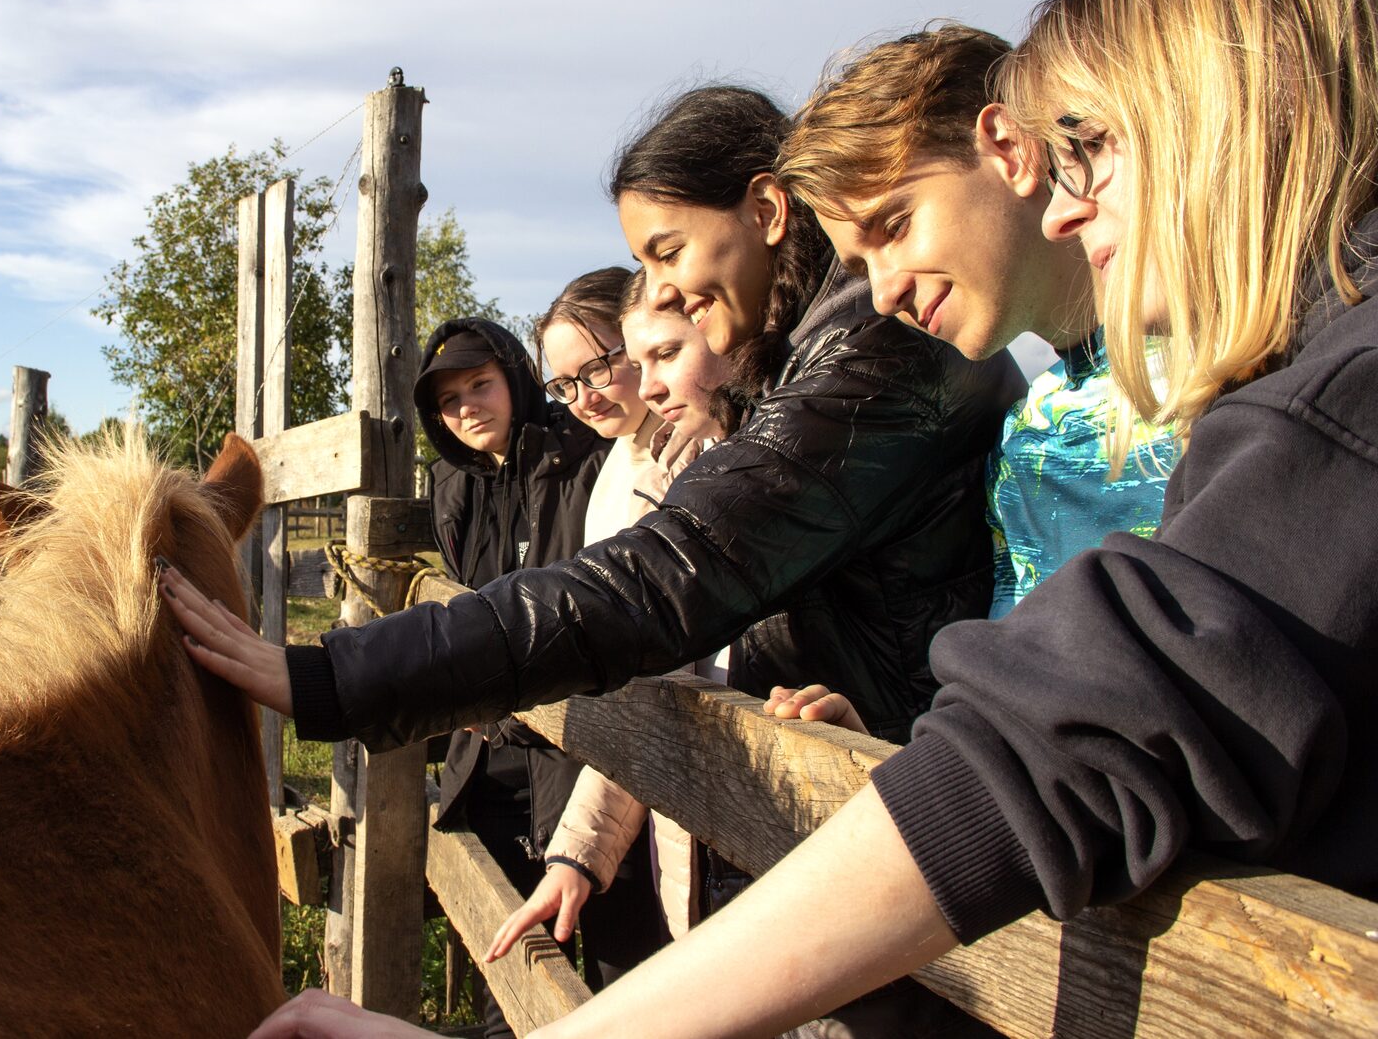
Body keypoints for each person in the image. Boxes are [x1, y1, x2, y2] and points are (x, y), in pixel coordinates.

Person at [235, 0, 1378, 1037]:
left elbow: (1076, 717)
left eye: (1089, 146)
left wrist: (334, 678)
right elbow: (1059, 649)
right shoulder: (1189, 374)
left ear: (1234, 114)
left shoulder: (1320, 396)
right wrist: (915, 706)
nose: (1064, 198)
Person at [167, 84, 1023, 1028]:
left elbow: (654, 580)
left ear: (769, 212)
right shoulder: (812, 365)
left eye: (668, 251)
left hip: (922, 855)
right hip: (848, 823)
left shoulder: (870, 361)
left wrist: (337, 677)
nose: (662, 292)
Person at [776, 24, 1178, 620]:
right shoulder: (1025, 435)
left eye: (896, 225)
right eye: (861, 268)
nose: (884, 295)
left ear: (1008, 149)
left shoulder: (1229, 365)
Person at [494, 278, 744, 960]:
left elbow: (655, 659)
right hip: (650, 780)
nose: (585, 396)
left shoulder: (689, 460)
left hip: (702, 789)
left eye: (599, 367)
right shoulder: (613, 465)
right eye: (565, 383)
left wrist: (580, 847)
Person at [413, 316, 607, 1032]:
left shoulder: (582, 459)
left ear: (516, 378)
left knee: (611, 953)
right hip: (487, 759)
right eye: (449, 399)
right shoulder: (450, 487)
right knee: (505, 951)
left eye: (480, 384)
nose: (466, 407)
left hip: (576, 754)